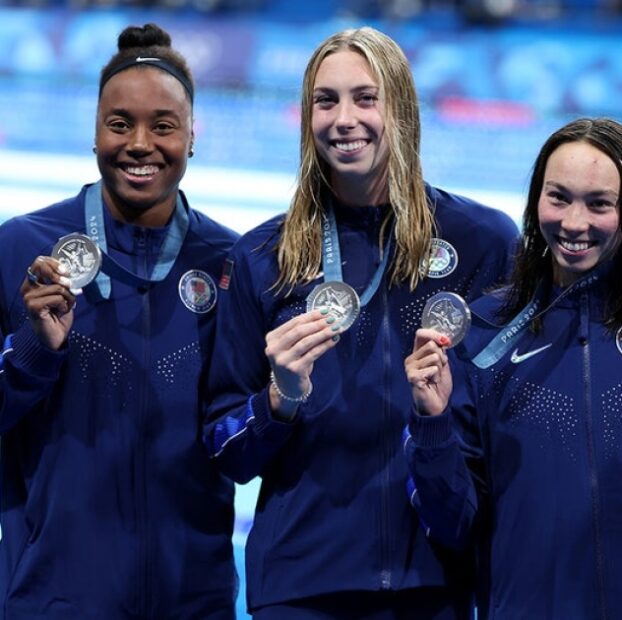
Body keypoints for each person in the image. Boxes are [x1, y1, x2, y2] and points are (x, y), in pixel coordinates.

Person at [202, 27, 518, 618]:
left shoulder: (482, 244)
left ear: (400, 107)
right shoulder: (263, 257)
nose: (344, 119)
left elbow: (501, 434)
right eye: (326, 101)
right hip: (302, 588)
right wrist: (279, 401)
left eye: (365, 98)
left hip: (433, 582)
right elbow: (226, 453)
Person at [403, 117, 622, 619]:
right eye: (558, 197)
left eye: (599, 203)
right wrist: (432, 424)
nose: (575, 222)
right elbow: (453, 525)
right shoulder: (484, 331)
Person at [0, 23, 239, 619]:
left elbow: (239, 432)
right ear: (94, 133)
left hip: (193, 599)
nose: (139, 143)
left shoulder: (234, 264)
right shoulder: (20, 248)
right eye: (119, 123)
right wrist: (33, 351)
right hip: (51, 598)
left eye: (162, 126)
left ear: (191, 136)